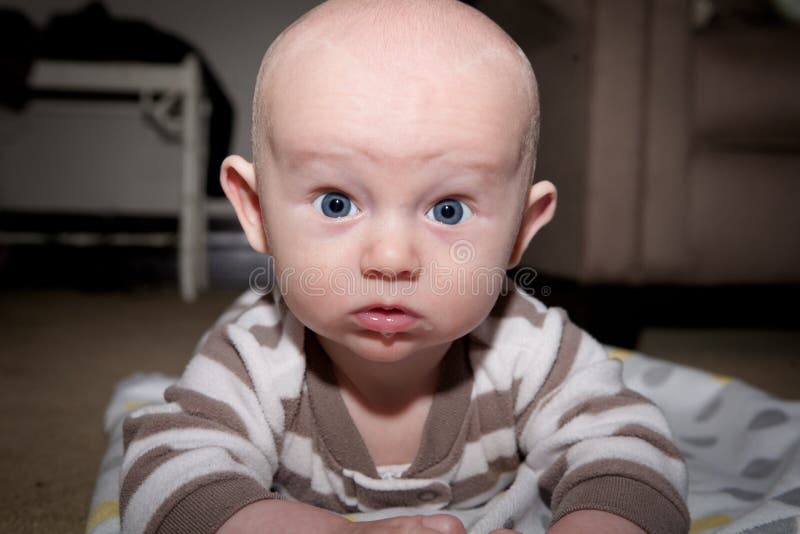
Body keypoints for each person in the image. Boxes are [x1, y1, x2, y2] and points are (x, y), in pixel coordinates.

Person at [120, 1, 689, 532]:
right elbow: (168, 485)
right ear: (256, 209)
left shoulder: (530, 350)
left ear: (520, 230)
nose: (391, 259)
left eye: (448, 209)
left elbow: (632, 460)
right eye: (336, 203)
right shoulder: (256, 358)